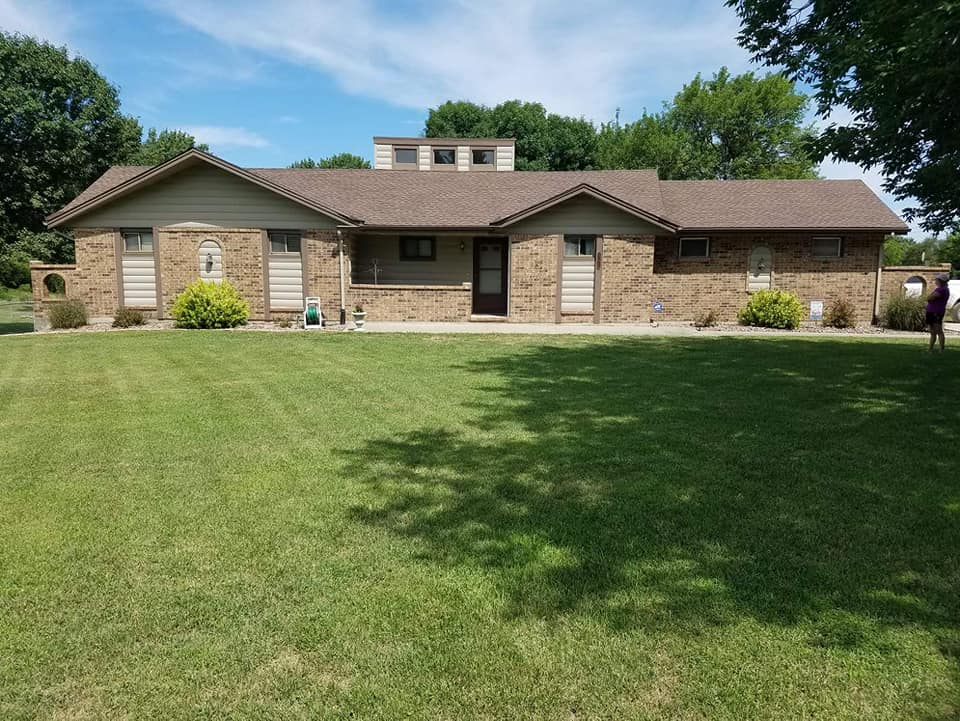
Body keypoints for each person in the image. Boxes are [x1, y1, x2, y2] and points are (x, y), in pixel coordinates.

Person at [925, 274, 949, 352]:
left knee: (938, 330)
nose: (936, 281)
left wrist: (929, 297)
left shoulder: (942, 290)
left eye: (937, 280)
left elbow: (930, 297)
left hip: (936, 312)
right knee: (932, 332)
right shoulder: (940, 289)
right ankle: (930, 349)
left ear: (941, 281)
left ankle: (941, 348)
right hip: (931, 312)